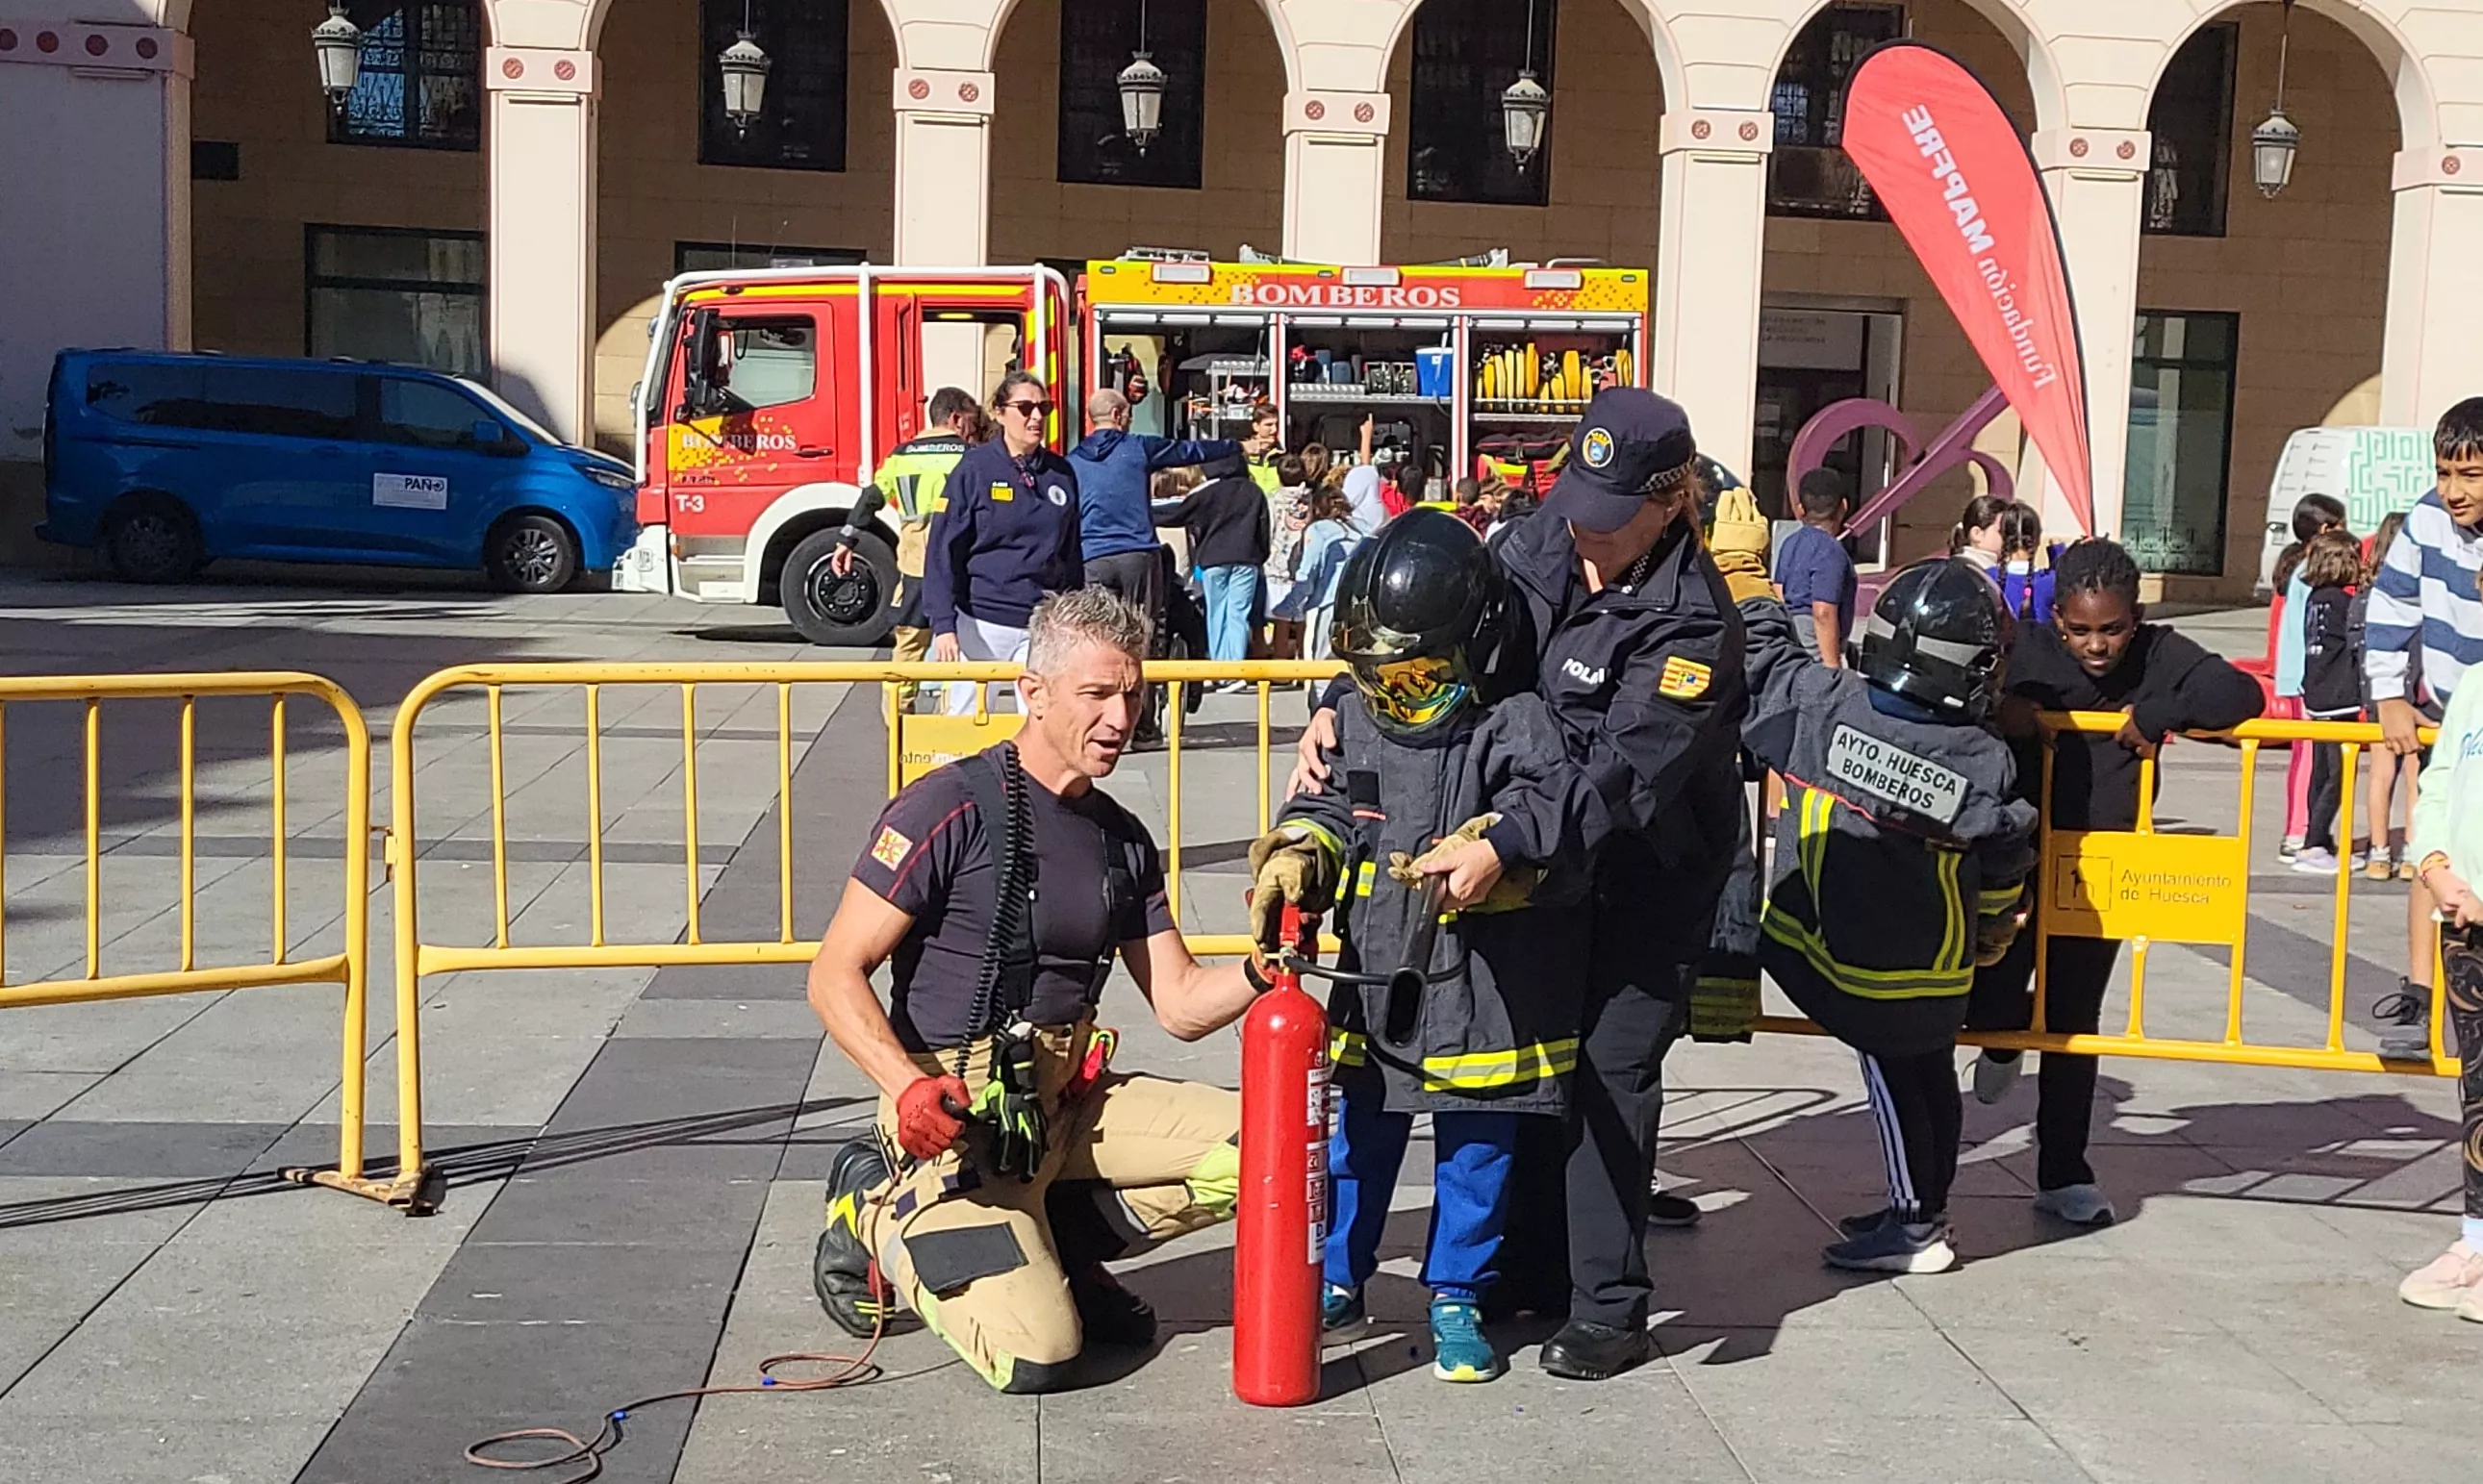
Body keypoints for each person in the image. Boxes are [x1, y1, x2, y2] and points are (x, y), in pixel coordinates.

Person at [1296, 389, 1751, 1379]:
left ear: (1670, 502)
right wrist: (1342, 703)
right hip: (1525, 855)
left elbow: (1618, 776)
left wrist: (1507, 838)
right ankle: (1523, 1267)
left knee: (1608, 1071)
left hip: (1642, 865)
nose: (1584, 529)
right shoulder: (1540, 537)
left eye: (1610, 514)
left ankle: (1607, 1304)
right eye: (1576, 500)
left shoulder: (1695, 627)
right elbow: (1443, 628)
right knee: (1531, 1058)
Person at [806, 589, 1268, 1395]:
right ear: (1034, 691)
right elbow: (832, 973)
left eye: (1133, 694)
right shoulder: (947, 805)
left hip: (1061, 1102)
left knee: (1269, 1145)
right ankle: (874, 1213)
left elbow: (1180, 1004)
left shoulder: (1120, 835)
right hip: (952, 1116)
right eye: (1096, 694)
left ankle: (1056, 1247)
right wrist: (907, 1088)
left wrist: (1271, 965)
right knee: (1038, 1355)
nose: (1120, 717)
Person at [1251, 511, 1598, 1383]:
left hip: (1484, 987)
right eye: (1379, 677)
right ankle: (1338, 1275)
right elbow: (1328, 807)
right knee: (1354, 1143)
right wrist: (1298, 852)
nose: (1397, 696)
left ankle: (1456, 1295)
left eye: (1419, 678)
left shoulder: (1514, 720)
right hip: (1378, 978)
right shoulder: (1354, 717)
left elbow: (1549, 809)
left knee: (1477, 1154)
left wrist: (1500, 845)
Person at [1710, 506, 2038, 1274]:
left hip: (1856, 958)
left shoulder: (1829, 709)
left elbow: (1765, 663)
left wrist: (1743, 573)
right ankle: (1922, 1206)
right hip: (1939, 959)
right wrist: (1992, 932)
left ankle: (1915, 1227)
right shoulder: (1982, 756)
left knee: (1891, 1085)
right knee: (1929, 1079)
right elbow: (2002, 859)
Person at [1965, 539, 2266, 1224]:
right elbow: (1961, 693)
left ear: (2136, 618)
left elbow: (2239, 693)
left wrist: (2158, 714)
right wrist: (2001, 708)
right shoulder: (2026, 650)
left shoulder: (2160, 654)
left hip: (2102, 867)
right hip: (2014, 856)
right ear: (2057, 618)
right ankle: (1999, 1035)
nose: (2096, 645)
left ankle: (2063, 1171)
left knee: (2075, 1020)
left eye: (2112, 629)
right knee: (1989, 992)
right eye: (2080, 629)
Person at [2367, 398, 2483, 1061]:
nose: (2452, 489)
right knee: (2430, 845)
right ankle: (2420, 989)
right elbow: (2391, 603)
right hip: (2450, 714)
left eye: (2469, 475)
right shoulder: (2426, 519)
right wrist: (2388, 694)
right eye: (2443, 472)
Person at [2393, 583, 2483, 1317]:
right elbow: (2439, 782)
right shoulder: (2475, 686)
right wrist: (2434, 866)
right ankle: (2475, 1238)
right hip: (2464, 920)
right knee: (2477, 1089)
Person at [924, 372, 1083, 716]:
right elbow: (942, 549)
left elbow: (1071, 554)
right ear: (999, 412)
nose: (1036, 417)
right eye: (1025, 408)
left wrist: (1073, 616)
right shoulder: (975, 468)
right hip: (982, 622)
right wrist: (943, 624)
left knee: (1042, 720)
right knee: (967, 722)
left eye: (1044, 408)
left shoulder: (1061, 472)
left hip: (1042, 623)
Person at [831, 387, 984, 702]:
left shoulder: (901, 456)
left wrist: (846, 540)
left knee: (908, 648)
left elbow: (871, 497)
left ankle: (898, 716)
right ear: (956, 419)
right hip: (959, 569)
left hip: (915, 569)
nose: (973, 430)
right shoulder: (971, 457)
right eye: (971, 422)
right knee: (955, 648)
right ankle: (949, 719)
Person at [1068, 385, 1239, 646]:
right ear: (1116, 415)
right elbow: (1187, 451)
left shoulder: (1073, 461)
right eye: (1129, 414)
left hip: (1093, 556)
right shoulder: (1138, 447)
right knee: (1140, 631)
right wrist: (1232, 446)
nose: (1130, 420)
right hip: (1137, 552)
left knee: (1097, 633)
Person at [2272, 493, 2349, 861]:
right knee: (2308, 759)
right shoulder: (2309, 573)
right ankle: (2299, 832)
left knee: (2309, 758)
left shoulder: (2303, 570)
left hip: (2303, 675)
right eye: (2340, 526)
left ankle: (2307, 831)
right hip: (2305, 677)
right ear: (2323, 530)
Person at [1148, 450, 1270, 675]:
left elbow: (1178, 512)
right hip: (1247, 559)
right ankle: (1236, 668)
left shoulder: (1208, 491)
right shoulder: (1254, 491)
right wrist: (1260, 556)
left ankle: (1219, 669)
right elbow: (1263, 529)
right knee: (1238, 613)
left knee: (1216, 613)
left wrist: (1141, 510)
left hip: (1214, 559)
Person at [2295, 530, 2368, 874]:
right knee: (2338, 775)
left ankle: (2318, 838)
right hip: (2339, 697)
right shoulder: (2342, 603)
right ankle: (2313, 842)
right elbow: (2357, 642)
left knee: (2321, 771)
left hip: (2317, 692)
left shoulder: (2315, 599)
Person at [2356, 512, 2420, 880]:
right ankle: (2411, 851)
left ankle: (2378, 853)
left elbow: (2354, 646)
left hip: (2375, 695)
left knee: (2380, 776)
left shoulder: (2365, 596)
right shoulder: (2416, 597)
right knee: (2416, 778)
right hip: (2412, 696)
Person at [1776, 467, 1856, 666]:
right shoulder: (1831, 551)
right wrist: (1832, 668)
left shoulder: (1789, 543)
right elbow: (1823, 612)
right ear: (1843, 506)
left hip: (1789, 641)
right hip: (1816, 648)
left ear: (1800, 509)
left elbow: (1778, 592)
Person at [1282, 482, 1366, 665]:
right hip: (1357, 604)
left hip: (1325, 603)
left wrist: (1293, 601)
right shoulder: (1361, 529)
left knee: (1318, 662)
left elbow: (1308, 568)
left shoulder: (1318, 529)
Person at [1264, 454, 1310, 661]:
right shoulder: (1311, 499)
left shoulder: (1272, 500)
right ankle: (1305, 659)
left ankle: (1281, 662)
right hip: (1305, 565)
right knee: (1303, 619)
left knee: (1280, 618)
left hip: (1276, 566)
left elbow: (1268, 531)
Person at [1996, 502, 2055, 626]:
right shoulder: (2051, 582)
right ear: (2037, 539)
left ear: (2002, 536)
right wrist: (2057, 554)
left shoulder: (1986, 578)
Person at [1950, 492, 2012, 572]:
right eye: (2002, 531)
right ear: (1977, 534)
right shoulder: (1966, 571)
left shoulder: (1952, 566)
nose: (2009, 538)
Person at [1243, 403, 1284, 493]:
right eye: (1268, 425)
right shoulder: (1242, 456)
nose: (1274, 430)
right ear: (1256, 427)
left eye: (1276, 424)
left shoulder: (1283, 456)